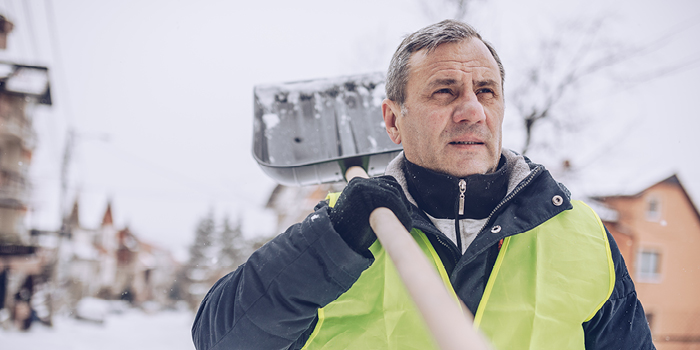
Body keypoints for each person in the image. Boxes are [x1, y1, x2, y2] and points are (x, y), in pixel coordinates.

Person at [192, 20, 655, 349]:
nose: (472, 110)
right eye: (444, 90)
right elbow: (221, 339)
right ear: (393, 120)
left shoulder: (579, 233)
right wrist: (331, 240)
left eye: (486, 91)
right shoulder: (343, 227)